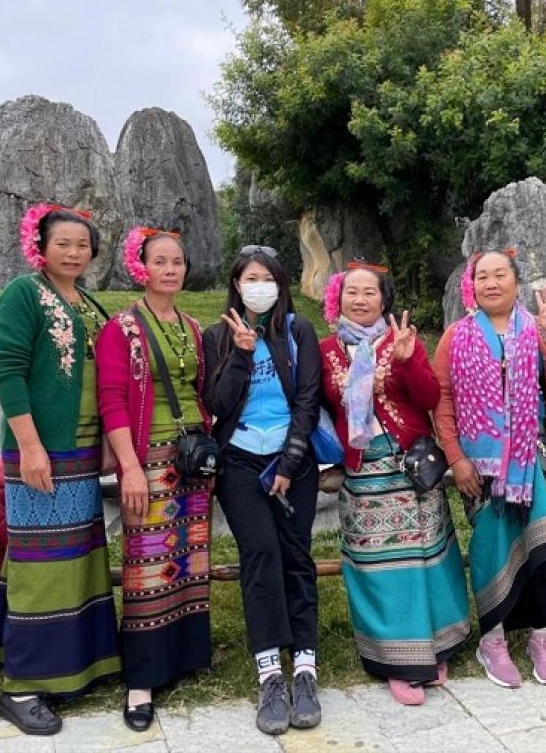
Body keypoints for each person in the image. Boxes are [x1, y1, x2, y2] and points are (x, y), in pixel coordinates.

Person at [0, 203, 121, 735]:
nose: (74, 253)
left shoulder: (88, 302)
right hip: (40, 453)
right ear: (40, 246)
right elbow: (7, 369)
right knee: (44, 565)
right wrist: (30, 446)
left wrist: (108, 444)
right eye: (63, 243)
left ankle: (74, 665)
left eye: (82, 245)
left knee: (76, 559)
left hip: (81, 454)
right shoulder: (24, 294)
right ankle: (22, 688)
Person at [433, 249, 546, 689]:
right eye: (482, 276)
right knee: (489, 549)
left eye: (501, 274)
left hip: (528, 464)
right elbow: (441, 401)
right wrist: (456, 457)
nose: (491, 283)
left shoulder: (539, 332)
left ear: (516, 283)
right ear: (472, 286)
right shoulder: (456, 336)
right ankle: (493, 640)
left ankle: (541, 636)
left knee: (539, 545)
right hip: (476, 470)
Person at [318, 262, 470, 706]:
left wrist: (407, 362)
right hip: (364, 476)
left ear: (384, 300)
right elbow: (315, 408)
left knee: (427, 558)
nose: (361, 300)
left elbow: (429, 398)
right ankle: (398, 660)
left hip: (410, 471)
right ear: (338, 298)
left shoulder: (401, 340)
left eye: (370, 292)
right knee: (378, 567)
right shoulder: (327, 350)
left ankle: (436, 646)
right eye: (352, 292)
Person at [201, 245, 323, 736]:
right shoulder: (217, 336)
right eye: (250, 277)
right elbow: (217, 404)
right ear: (236, 284)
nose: (260, 286)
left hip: (293, 462)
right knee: (260, 555)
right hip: (239, 461)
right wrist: (242, 356)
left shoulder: (299, 331)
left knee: (297, 556)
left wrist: (290, 463)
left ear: (280, 283)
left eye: (268, 277)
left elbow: (308, 399)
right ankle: (270, 673)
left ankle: (307, 670)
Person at [96, 227, 214, 731]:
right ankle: (141, 679)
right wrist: (130, 467)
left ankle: (182, 658)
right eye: (160, 261)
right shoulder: (121, 328)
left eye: (178, 261)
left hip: (191, 460)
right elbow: (112, 401)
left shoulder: (192, 326)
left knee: (189, 558)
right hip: (148, 458)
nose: (170, 269)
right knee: (147, 566)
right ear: (140, 266)